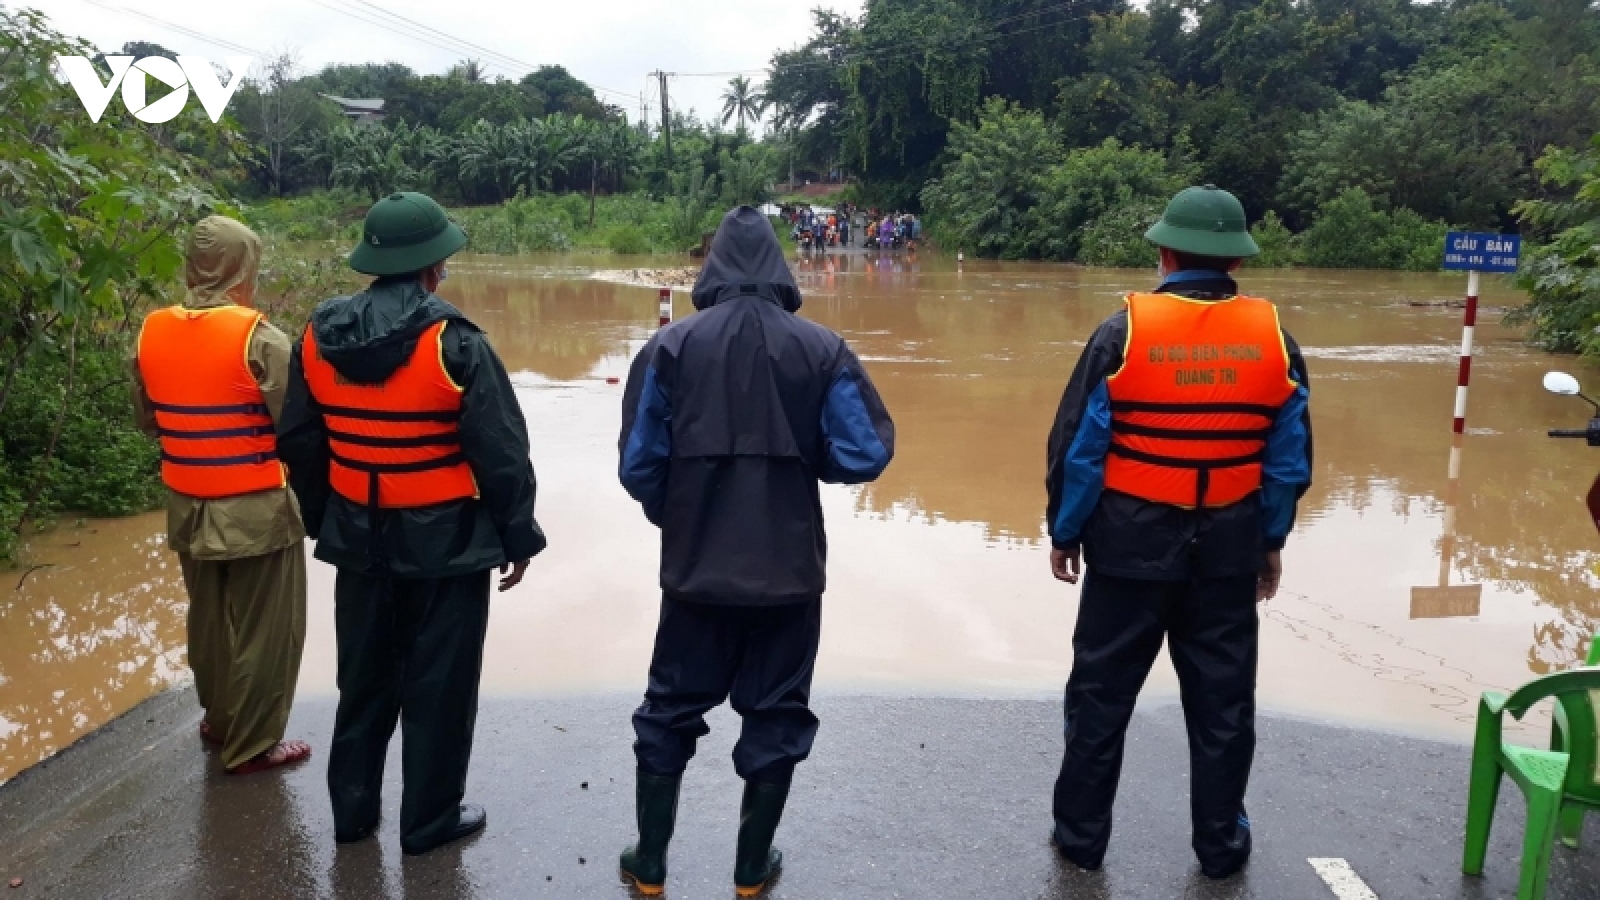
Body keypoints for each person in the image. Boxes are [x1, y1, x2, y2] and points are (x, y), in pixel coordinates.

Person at [616, 206, 895, 897]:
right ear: (780, 269)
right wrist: (806, 460)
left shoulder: (669, 349)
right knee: (776, 714)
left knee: (669, 709)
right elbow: (864, 452)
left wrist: (680, 515)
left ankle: (650, 864)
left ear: (710, 272)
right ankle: (749, 870)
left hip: (694, 572)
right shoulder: (822, 348)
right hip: (789, 575)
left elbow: (639, 466)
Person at [1042, 185, 1312, 878]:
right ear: (1237, 264)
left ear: (1164, 252)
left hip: (1128, 551)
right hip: (1227, 551)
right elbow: (1288, 459)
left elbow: (1079, 447)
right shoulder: (1274, 339)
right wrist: (1271, 542)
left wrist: (1065, 532)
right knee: (1223, 709)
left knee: (1100, 699)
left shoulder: (1121, 332)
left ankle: (1080, 840)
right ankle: (1220, 849)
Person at [278, 192, 546, 855]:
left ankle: (352, 814)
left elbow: (301, 441)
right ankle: (427, 823)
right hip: (447, 543)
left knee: (363, 679)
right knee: (441, 684)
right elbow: (502, 451)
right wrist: (518, 537)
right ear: (431, 268)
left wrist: (326, 520)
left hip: (357, 538)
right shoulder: (455, 341)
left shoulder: (317, 336)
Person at [133, 215, 311, 776]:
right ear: (243, 267)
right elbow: (297, 430)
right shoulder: (261, 338)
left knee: (209, 620)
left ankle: (219, 721)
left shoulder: (151, 330)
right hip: (257, 509)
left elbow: (147, 420)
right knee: (267, 630)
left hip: (189, 505)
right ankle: (254, 744)